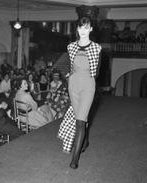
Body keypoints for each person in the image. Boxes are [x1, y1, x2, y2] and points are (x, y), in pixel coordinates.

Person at [58, 17, 102, 169]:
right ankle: (85, 140)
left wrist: (84, 78)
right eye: (80, 27)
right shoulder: (71, 47)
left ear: (91, 29)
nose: (83, 30)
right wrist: (70, 78)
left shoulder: (97, 48)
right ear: (77, 29)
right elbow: (70, 67)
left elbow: (96, 73)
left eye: (86, 27)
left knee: (80, 121)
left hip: (88, 86)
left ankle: (74, 158)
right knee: (80, 120)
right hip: (73, 86)